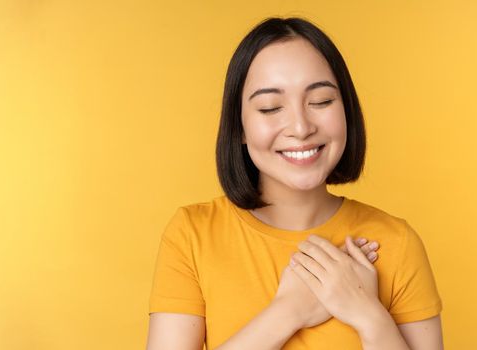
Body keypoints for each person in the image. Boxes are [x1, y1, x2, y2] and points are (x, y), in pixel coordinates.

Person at [145, 17, 443, 350]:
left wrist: (368, 315)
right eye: (271, 107)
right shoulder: (192, 235)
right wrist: (290, 311)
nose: (300, 127)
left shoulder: (397, 243)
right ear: (239, 128)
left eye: (321, 102)